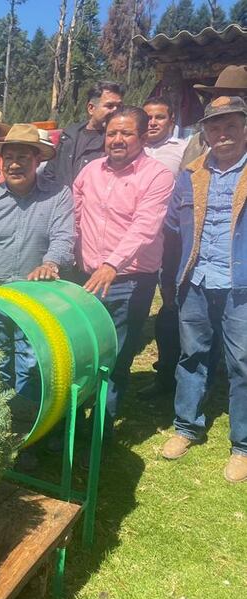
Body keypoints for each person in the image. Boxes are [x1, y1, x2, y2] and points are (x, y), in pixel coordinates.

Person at [73, 106, 174, 443]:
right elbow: (74, 217)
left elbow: (145, 227)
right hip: (87, 279)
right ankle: (74, 423)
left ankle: (98, 436)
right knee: (84, 354)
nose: (117, 139)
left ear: (142, 137)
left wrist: (112, 264)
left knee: (114, 359)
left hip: (129, 281)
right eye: (111, 133)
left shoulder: (157, 176)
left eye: (126, 133)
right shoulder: (90, 171)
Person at [161, 96, 247, 483]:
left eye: (231, 126)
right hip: (195, 280)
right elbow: (172, 229)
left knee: (242, 363)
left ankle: (242, 446)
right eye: (215, 127)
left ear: (244, 129)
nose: (222, 134)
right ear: (205, 133)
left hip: (240, 285)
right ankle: (186, 426)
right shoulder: (190, 174)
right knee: (192, 355)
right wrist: (173, 276)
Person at [0, 124, 74, 399]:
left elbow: (63, 237)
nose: (14, 165)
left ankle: (27, 417)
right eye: (9, 157)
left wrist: (50, 263)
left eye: (23, 157)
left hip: (36, 296)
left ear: (38, 160)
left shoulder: (58, 196)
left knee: (31, 362)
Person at [137, 96, 189, 399]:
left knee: (172, 304)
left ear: (172, 121)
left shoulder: (184, 150)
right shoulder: (133, 148)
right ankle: (160, 374)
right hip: (138, 243)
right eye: (148, 117)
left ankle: (175, 375)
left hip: (172, 240)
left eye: (160, 117)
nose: (153, 122)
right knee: (143, 305)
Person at [44, 81, 125, 187]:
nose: (116, 111)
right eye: (109, 106)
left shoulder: (118, 142)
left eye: (119, 106)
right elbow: (50, 173)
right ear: (91, 108)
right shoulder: (69, 135)